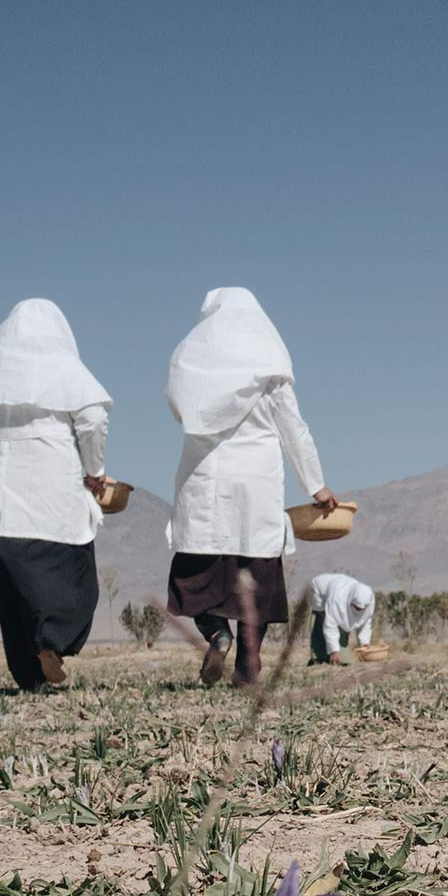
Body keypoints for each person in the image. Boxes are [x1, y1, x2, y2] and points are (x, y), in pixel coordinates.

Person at [164, 288, 339, 686]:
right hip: (255, 482)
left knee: (196, 574)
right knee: (254, 578)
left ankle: (215, 632)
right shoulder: (269, 368)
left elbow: (179, 412)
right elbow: (294, 430)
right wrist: (316, 485)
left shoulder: (188, 368)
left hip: (204, 478)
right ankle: (249, 667)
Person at [0, 299, 111, 691]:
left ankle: (30, 674)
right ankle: (53, 642)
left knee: (13, 582)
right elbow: (93, 419)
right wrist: (95, 470)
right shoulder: (67, 369)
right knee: (70, 568)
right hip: (53, 478)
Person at [307, 572, 374, 666]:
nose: (359, 610)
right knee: (321, 620)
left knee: (342, 631)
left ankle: (339, 657)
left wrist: (364, 643)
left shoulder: (369, 598)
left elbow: (365, 622)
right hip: (319, 590)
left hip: (338, 583)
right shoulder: (337, 599)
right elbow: (330, 625)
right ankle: (319, 659)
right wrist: (334, 651)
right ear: (350, 600)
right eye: (356, 607)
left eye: (362, 609)